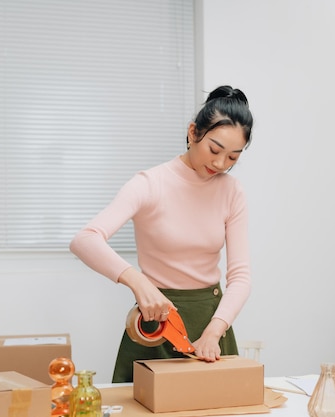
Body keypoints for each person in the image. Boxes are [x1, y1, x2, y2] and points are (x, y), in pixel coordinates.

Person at [69, 85, 254, 382]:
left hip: (211, 323)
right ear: (193, 132)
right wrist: (138, 282)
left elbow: (241, 277)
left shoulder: (231, 192)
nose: (220, 164)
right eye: (214, 150)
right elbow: (84, 240)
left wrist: (213, 332)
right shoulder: (150, 183)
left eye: (233, 157)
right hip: (156, 323)